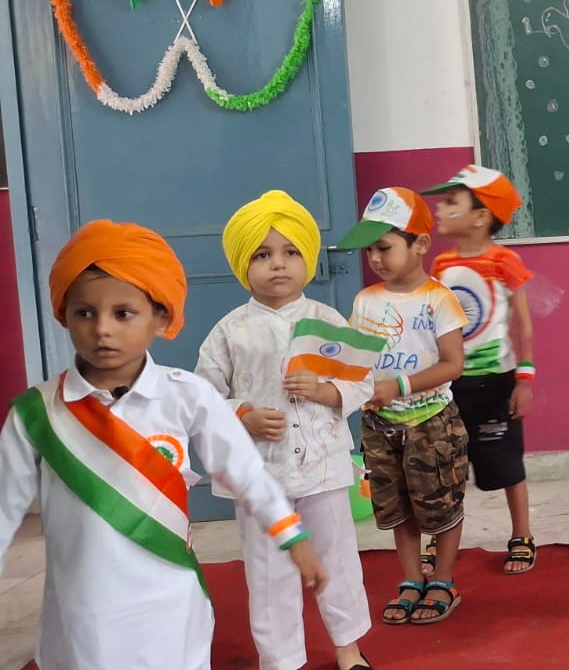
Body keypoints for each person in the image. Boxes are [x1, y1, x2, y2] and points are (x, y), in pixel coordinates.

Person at [0, 219, 327, 669]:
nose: (102, 329)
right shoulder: (35, 413)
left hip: (171, 607)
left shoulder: (187, 395)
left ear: (160, 317)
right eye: (85, 313)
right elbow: (4, 509)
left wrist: (293, 537)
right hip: (82, 617)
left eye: (123, 313)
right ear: (63, 315)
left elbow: (246, 474)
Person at [196, 191, 375, 670]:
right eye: (262, 254)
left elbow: (362, 381)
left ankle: (348, 649)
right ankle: (281, 660)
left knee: (337, 560)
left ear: (308, 259)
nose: (278, 264)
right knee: (269, 572)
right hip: (259, 476)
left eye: (291, 251)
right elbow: (202, 397)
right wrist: (242, 415)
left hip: (322, 468)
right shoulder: (230, 331)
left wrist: (325, 390)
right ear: (243, 264)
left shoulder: (327, 322)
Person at [334, 188, 469, 626]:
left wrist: (399, 386)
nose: (375, 258)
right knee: (396, 507)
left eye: (384, 247)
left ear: (420, 244)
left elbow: (453, 365)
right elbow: (355, 357)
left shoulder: (438, 299)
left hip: (432, 423)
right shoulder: (365, 300)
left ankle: (443, 580)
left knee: (441, 504)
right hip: (380, 425)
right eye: (369, 250)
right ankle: (412, 579)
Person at [423, 166, 541, 576]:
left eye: (451, 201)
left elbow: (523, 324)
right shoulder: (441, 264)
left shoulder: (504, 260)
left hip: (495, 383)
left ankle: (522, 534)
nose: (440, 208)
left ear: (481, 216)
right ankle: (439, 537)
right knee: (444, 464)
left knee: (506, 462)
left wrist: (524, 379)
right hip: (449, 383)